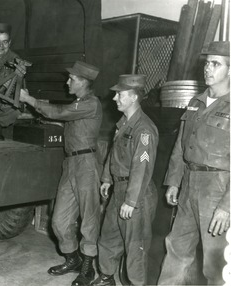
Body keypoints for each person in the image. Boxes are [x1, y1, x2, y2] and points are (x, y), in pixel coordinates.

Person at [20, 60, 102, 286]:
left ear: (83, 82)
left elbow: (63, 112)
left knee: (89, 219)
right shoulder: (79, 105)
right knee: (58, 220)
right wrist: (41, 114)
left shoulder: (91, 103)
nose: (67, 82)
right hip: (71, 165)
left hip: (86, 164)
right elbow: (63, 118)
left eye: (72, 79)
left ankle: (88, 268)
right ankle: (72, 258)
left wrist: (30, 100)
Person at [158, 41, 230, 285]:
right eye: (207, 63)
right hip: (189, 184)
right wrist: (174, 182)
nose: (207, 69)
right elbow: (180, 146)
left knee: (215, 263)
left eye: (216, 64)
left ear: (230, 70)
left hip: (217, 188)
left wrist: (226, 206)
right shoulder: (195, 102)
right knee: (176, 248)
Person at [92, 74, 159, 286]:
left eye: (119, 94)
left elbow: (142, 167)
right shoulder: (124, 123)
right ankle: (106, 277)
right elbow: (114, 153)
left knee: (135, 247)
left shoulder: (144, 129)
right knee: (108, 238)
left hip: (136, 194)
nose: (114, 98)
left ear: (133, 97)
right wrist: (106, 179)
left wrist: (131, 201)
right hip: (119, 188)